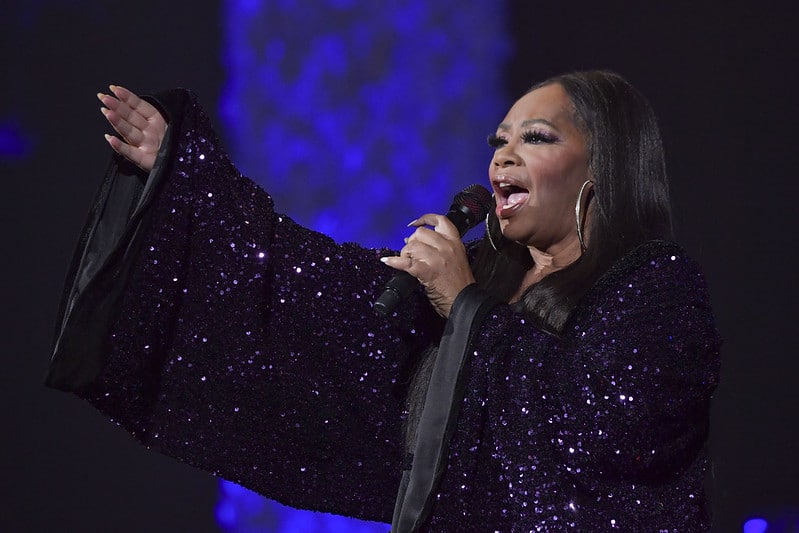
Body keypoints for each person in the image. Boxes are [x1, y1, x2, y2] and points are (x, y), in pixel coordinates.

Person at [47, 71, 720, 531]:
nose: (501, 158)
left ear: (603, 164)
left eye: (535, 138)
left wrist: (463, 308)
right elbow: (314, 287)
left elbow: (597, 428)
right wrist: (188, 178)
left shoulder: (656, 288)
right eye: (498, 142)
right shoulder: (476, 279)